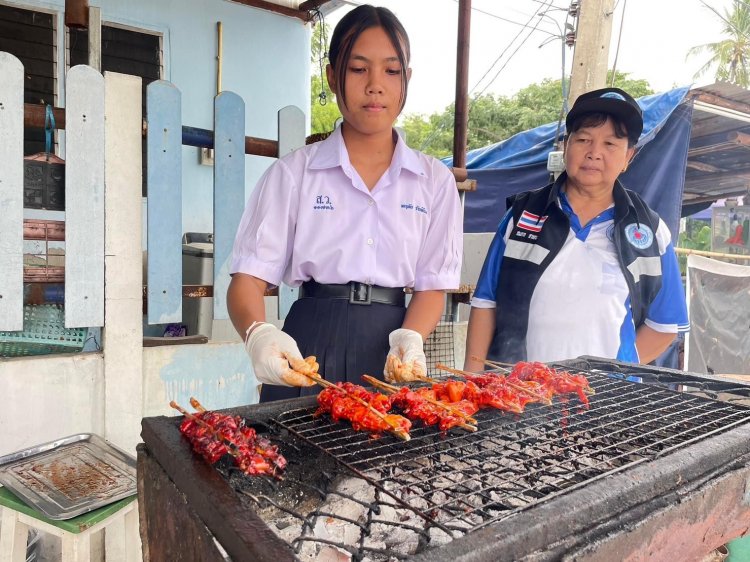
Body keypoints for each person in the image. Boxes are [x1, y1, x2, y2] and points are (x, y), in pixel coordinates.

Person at [228, 5, 463, 402]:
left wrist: (412, 336)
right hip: (309, 342)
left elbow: (432, 286)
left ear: (407, 80)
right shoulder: (294, 174)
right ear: (333, 76)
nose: (375, 85)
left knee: (386, 461)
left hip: (393, 344)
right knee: (290, 459)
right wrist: (259, 334)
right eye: (358, 69)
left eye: (391, 71)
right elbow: (247, 279)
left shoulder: (434, 182)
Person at [464, 87, 689, 372]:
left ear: (628, 157)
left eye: (610, 144)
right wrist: (473, 378)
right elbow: (486, 303)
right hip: (521, 396)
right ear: (565, 145)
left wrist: (613, 375)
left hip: (606, 401)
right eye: (583, 139)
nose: (594, 153)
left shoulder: (649, 232)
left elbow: (664, 325)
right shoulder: (521, 217)